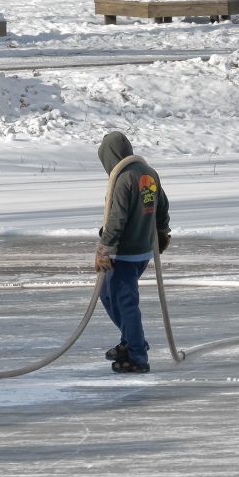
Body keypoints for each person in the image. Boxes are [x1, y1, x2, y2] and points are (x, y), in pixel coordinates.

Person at [95, 131, 171, 373]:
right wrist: (161, 232)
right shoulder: (148, 173)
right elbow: (162, 206)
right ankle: (132, 339)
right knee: (108, 294)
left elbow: (116, 219)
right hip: (142, 251)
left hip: (125, 252)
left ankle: (137, 355)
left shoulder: (124, 178)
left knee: (125, 302)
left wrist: (104, 249)